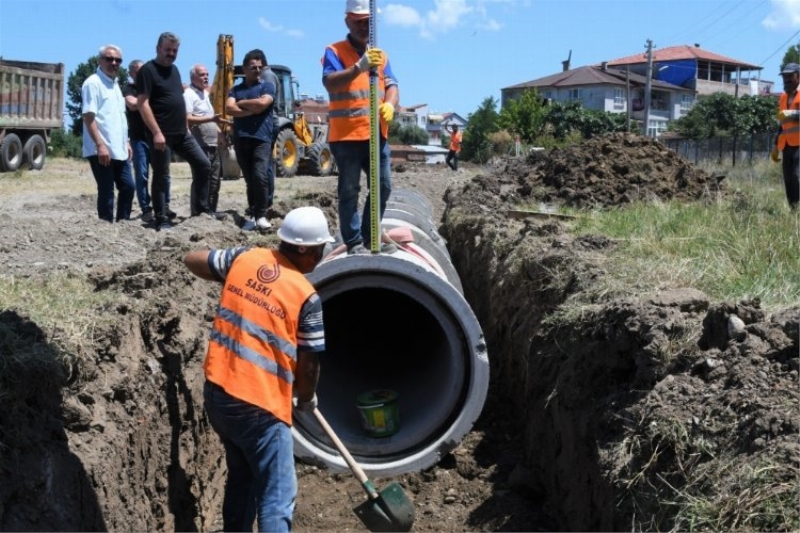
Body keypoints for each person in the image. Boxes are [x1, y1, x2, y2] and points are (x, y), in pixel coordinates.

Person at [184, 206, 334, 533]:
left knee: (243, 476)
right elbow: (308, 366)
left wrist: (234, 276)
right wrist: (305, 399)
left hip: (218, 394)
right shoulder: (306, 297)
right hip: (259, 407)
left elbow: (193, 259)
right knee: (278, 496)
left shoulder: (244, 258)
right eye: (321, 250)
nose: (321, 257)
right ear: (306, 251)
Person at [322, 0, 400, 255]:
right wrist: (359, 67)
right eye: (358, 21)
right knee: (349, 190)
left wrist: (390, 104)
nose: (363, 26)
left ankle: (369, 238)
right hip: (346, 136)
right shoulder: (334, 51)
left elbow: (392, 85)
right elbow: (331, 84)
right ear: (347, 21)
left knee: (383, 186)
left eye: (367, 21)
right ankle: (354, 242)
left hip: (377, 134)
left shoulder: (382, 54)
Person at [136, 32, 213, 231]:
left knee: (203, 165)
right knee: (161, 175)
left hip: (181, 132)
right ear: (158, 49)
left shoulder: (175, 70)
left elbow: (176, 100)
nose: (171, 54)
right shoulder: (147, 71)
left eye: (175, 51)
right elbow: (143, 104)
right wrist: (156, 132)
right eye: (167, 50)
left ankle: (201, 211)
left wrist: (185, 126)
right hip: (161, 134)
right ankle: (161, 218)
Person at [81, 44, 135, 223]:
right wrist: (100, 145)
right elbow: (89, 117)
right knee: (106, 190)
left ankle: (123, 224)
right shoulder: (92, 83)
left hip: (118, 148)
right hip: (101, 149)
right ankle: (104, 228)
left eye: (118, 60)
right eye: (109, 59)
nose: (114, 63)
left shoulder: (115, 85)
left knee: (128, 186)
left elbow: (119, 117)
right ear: (99, 60)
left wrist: (126, 141)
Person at [225, 49, 276, 230]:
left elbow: (263, 104)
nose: (257, 70)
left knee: (260, 176)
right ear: (244, 68)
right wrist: (251, 109)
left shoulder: (267, 86)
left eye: (259, 67)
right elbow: (229, 108)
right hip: (241, 138)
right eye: (253, 67)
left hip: (261, 138)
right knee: (249, 179)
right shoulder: (235, 89)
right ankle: (254, 213)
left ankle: (262, 215)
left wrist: (241, 103)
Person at [123, 59, 174, 223]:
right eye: (138, 70)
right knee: (142, 175)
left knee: (164, 174)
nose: (142, 73)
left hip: (157, 136)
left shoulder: (154, 87)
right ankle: (146, 208)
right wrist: (147, 101)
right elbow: (132, 104)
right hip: (139, 139)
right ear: (131, 73)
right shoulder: (128, 88)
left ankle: (165, 205)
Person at [184, 63, 226, 217]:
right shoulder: (189, 94)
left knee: (215, 181)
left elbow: (211, 119)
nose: (206, 77)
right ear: (193, 77)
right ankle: (198, 213)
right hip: (200, 145)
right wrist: (210, 118)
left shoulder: (205, 95)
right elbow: (187, 117)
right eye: (202, 74)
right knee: (202, 180)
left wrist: (220, 133)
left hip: (213, 145)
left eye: (207, 74)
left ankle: (211, 211)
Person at [771, 62, 800, 210]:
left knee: (796, 176)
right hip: (787, 144)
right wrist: (776, 146)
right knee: (788, 178)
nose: (787, 80)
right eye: (784, 77)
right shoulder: (783, 98)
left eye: (790, 76)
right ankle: (793, 210)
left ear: (798, 76)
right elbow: (781, 125)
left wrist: (792, 114)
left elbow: (789, 116)